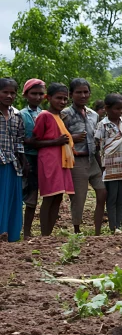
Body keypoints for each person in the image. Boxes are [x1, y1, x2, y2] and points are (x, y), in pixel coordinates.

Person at [62, 78, 105, 235]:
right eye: (79, 92)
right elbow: (60, 136)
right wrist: (73, 137)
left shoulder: (93, 115)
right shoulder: (65, 114)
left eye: (86, 92)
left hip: (92, 159)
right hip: (76, 160)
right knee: (79, 198)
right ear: (71, 94)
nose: (83, 95)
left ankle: (98, 230)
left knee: (102, 192)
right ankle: (77, 230)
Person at [34, 83, 75, 236]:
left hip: (61, 161)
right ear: (48, 98)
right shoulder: (44, 116)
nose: (63, 102)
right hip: (50, 160)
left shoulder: (60, 116)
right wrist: (54, 142)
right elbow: (34, 141)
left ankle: (49, 234)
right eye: (59, 98)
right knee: (49, 197)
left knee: (58, 196)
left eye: (65, 99)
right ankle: (44, 234)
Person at [96, 94, 122, 233]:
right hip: (109, 165)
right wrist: (101, 166)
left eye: (121, 109)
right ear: (107, 108)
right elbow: (98, 145)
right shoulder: (102, 125)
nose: (118, 111)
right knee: (112, 197)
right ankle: (113, 225)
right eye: (116, 109)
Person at [0, 79, 27, 242]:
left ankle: (10, 234)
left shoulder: (16, 116)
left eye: (12, 93)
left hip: (13, 163)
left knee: (12, 199)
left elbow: (19, 140)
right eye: (5, 92)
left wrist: (23, 159)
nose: (9, 96)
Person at [20, 79, 45, 239]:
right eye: (34, 94)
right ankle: (23, 230)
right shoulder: (22, 114)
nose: (37, 97)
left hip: (40, 159)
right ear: (26, 95)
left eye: (40, 94)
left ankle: (28, 231)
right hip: (26, 159)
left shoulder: (43, 114)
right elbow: (23, 139)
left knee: (33, 198)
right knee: (25, 195)